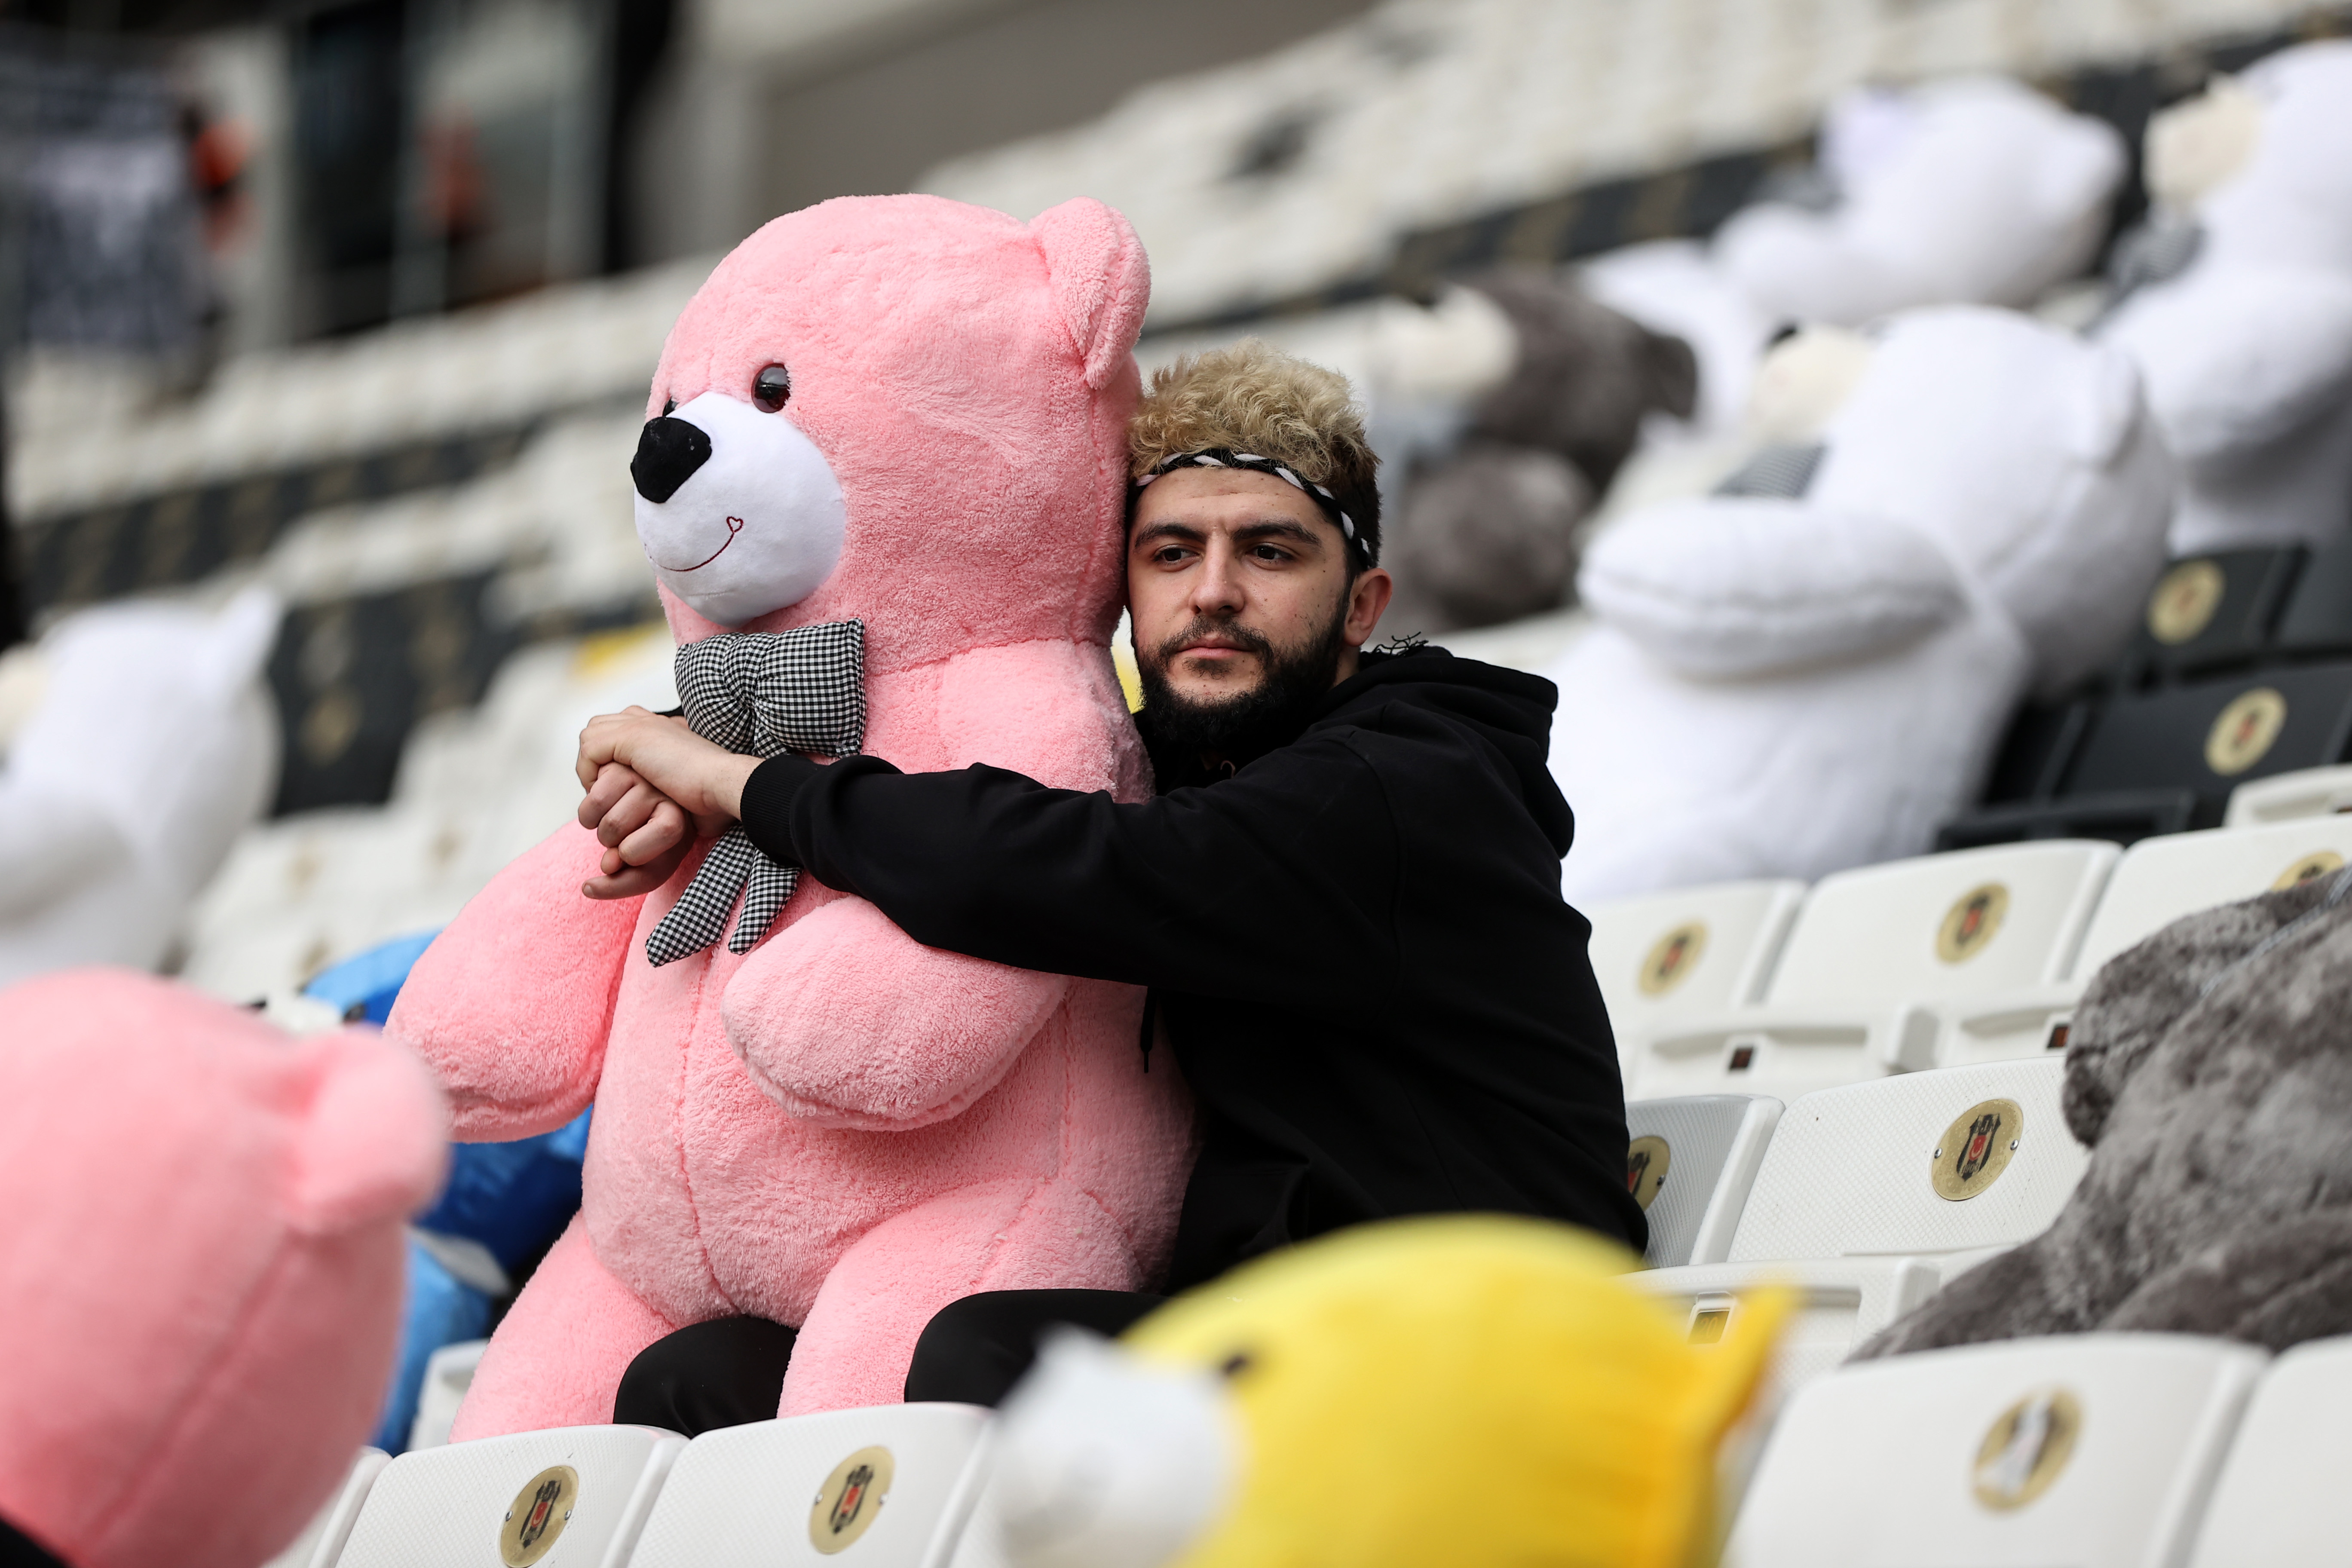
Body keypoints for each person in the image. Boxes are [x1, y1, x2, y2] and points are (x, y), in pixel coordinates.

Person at [573, 341, 1642, 1430]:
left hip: (1481, 1336)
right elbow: (968, 791)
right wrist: (692, 757)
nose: (1213, 593)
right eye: (1172, 553)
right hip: (1278, 1328)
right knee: (705, 1376)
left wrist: (751, 786)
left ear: (1363, 604)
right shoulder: (1198, 765)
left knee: (978, 1352)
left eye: (1269, 552)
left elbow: (1083, 866)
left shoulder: (1405, 779)